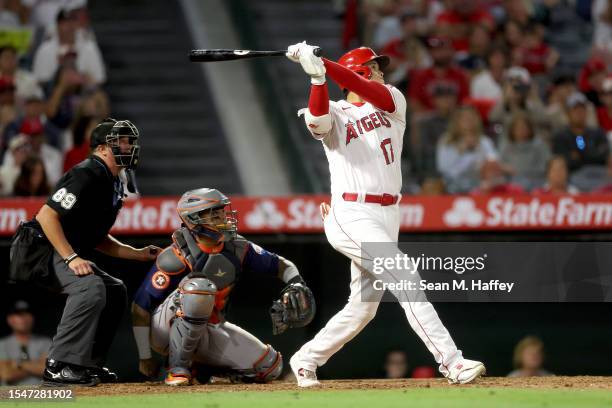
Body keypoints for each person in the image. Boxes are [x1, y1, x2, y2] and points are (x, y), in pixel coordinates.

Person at [285, 43, 485, 387]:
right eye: (374, 66)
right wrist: (317, 77)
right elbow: (317, 122)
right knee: (406, 276)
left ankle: (306, 358)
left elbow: (364, 87)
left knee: (363, 307)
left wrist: (323, 64)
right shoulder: (334, 109)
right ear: (362, 70)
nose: (381, 71)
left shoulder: (392, 100)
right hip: (351, 212)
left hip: (388, 213)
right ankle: (452, 363)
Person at [20, 118, 160, 386]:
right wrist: (71, 258)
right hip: (41, 251)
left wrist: (138, 253)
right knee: (91, 287)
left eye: (130, 141)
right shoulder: (87, 172)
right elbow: (47, 216)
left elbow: (95, 237)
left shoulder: (113, 179)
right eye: (122, 141)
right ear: (102, 148)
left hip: (62, 250)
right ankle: (59, 365)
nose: (129, 146)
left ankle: (87, 365)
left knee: (114, 289)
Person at [132, 188, 315, 386]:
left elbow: (281, 265)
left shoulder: (237, 247)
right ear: (193, 219)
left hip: (210, 326)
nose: (223, 217)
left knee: (269, 366)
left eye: (221, 211)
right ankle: (177, 368)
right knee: (199, 288)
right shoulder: (175, 256)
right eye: (213, 213)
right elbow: (139, 307)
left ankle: (205, 369)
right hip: (165, 331)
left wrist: (296, 281)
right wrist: (145, 357)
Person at [437, 106, 498, 193]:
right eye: (464, 118)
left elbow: (493, 160)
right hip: (453, 184)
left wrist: (479, 150)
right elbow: (444, 168)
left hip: (480, 183)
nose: (469, 121)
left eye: (471, 118)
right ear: (457, 122)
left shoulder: (484, 141)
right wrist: (462, 151)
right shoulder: (447, 141)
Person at [552, 92, 609, 172]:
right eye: (575, 110)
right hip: (573, 177)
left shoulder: (598, 133)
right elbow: (564, 162)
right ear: (568, 113)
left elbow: (604, 156)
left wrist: (580, 155)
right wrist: (590, 153)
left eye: (582, 109)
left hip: (599, 173)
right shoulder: (561, 137)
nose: (579, 113)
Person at [0, 301, 51, 385]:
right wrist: (36, 366)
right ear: (10, 319)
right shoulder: (2, 344)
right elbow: (7, 375)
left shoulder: (45, 342)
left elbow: (49, 371)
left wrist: (18, 364)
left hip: (40, 395)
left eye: (27, 314)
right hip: (12, 396)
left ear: (32, 318)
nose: (23, 318)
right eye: (19, 315)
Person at [499, 112, 551, 190]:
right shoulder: (506, 147)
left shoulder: (540, 146)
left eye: (524, 127)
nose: (521, 130)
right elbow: (501, 167)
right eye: (518, 128)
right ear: (512, 130)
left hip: (537, 183)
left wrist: (517, 171)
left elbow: (546, 167)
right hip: (512, 185)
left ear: (530, 129)